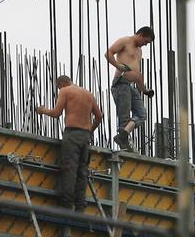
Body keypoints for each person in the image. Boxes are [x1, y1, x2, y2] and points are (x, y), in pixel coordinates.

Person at [36, 75, 102, 212]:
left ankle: (66, 207)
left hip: (72, 135)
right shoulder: (88, 93)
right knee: (82, 172)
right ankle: (80, 207)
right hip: (85, 136)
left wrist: (43, 111)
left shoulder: (65, 91)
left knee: (69, 169)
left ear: (62, 83)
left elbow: (56, 113)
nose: (59, 90)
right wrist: (90, 130)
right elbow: (99, 116)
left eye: (58, 87)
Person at [105, 26, 155, 151]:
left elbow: (137, 73)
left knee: (142, 114)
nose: (145, 45)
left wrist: (144, 90)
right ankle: (124, 144)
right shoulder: (125, 41)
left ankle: (123, 135)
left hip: (131, 86)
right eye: (146, 41)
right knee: (124, 117)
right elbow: (108, 53)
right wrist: (118, 66)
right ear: (141, 35)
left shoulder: (139, 51)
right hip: (121, 83)